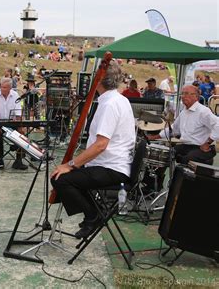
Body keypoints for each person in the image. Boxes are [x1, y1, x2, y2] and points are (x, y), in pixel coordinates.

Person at [50, 61, 135, 239]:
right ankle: (94, 211)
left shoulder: (109, 104)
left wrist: (71, 165)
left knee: (61, 179)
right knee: (63, 176)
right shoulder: (120, 99)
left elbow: (101, 145)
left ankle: (93, 216)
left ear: (99, 80)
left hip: (112, 168)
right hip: (113, 164)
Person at [149, 85, 219, 165]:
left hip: (201, 148)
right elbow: (174, 129)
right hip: (186, 145)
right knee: (164, 154)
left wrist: (207, 143)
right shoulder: (184, 112)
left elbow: (218, 125)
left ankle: (180, 175)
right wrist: (154, 137)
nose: (183, 96)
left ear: (196, 97)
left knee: (186, 159)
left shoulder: (203, 111)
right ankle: (156, 176)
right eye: (182, 94)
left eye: (186, 93)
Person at [0, 77, 28, 170]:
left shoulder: (15, 94)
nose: (2, 89)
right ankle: (0, 161)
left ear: (10, 88)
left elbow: (18, 112)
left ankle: (18, 161)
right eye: (1, 87)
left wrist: (20, 127)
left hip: (12, 122)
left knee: (21, 134)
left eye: (4, 87)